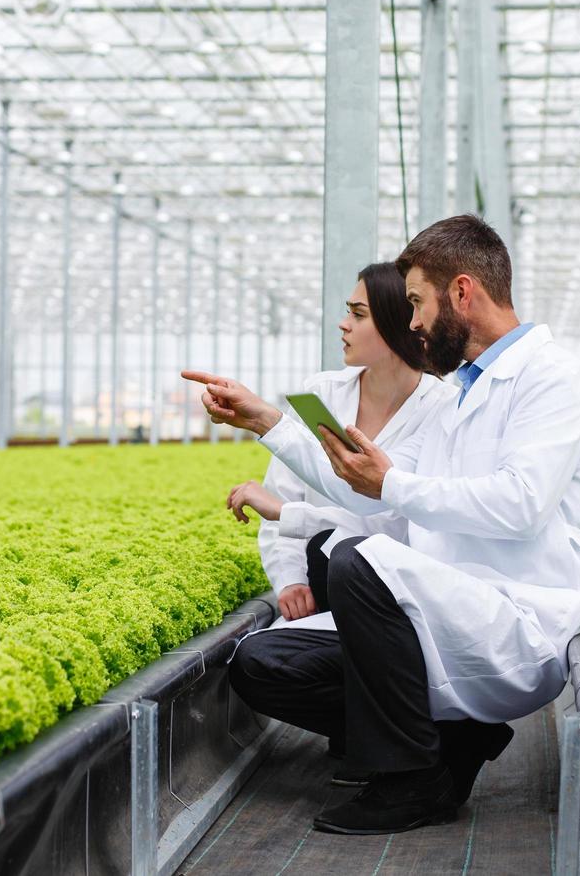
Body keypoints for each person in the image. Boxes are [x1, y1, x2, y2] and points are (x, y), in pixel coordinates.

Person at [185, 214, 580, 836]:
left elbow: (520, 505)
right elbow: (368, 489)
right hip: (443, 614)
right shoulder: (461, 392)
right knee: (262, 662)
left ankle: (412, 779)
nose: (411, 323)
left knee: (358, 560)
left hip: (517, 620)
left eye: (416, 303)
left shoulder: (552, 380)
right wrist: (267, 423)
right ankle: (452, 738)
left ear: (462, 292)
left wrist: (390, 484)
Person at [220, 263, 455, 785]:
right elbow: (282, 489)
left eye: (358, 314)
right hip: (327, 590)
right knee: (256, 668)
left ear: (397, 324)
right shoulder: (321, 394)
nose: (343, 325)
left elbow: (397, 525)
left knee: (350, 552)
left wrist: (293, 517)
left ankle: (396, 747)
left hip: (397, 607)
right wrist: (290, 578)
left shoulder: (443, 407)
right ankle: (401, 734)